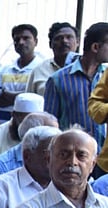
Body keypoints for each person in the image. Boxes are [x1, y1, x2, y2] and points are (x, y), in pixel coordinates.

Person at [45, 22, 108, 151]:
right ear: (95, 47)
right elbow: (49, 125)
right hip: (73, 153)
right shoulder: (58, 79)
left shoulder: (105, 76)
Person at [0, 125, 59, 208]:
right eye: (49, 153)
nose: (56, 159)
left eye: (60, 154)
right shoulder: (1, 187)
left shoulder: (66, 186)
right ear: (27, 156)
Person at [0, 24, 44, 122]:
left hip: (31, 124)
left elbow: (41, 99)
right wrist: (24, 96)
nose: (21, 42)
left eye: (26, 38)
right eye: (17, 39)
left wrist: (7, 95)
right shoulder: (6, 68)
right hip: (4, 124)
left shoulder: (42, 68)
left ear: (36, 41)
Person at [0, 92, 44, 167]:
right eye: (26, 120)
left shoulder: (47, 138)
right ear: (14, 115)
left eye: (36, 121)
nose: (30, 125)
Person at [26, 22, 79, 96]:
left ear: (77, 42)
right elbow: (29, 99)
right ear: (50, 44)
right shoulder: (39, 71)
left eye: (69, 37)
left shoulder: (87, 69)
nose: (64, 41)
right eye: (58, 38)